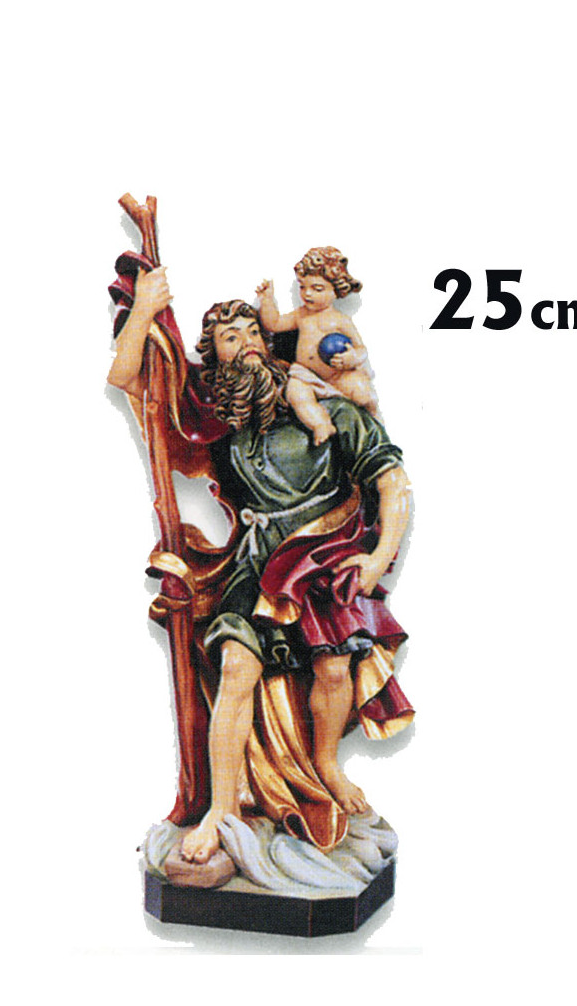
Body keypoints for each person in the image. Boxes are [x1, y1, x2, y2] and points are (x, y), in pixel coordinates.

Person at [108, 265, 412, 865]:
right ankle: (220, 810)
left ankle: (325, 764)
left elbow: (393, 482)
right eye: (230, 337)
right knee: (236, 665)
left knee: (332, 671)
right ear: (216, 358)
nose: (247, 341)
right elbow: (126, 377)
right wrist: (144, 308)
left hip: (325, 555)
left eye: (253, 331)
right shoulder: (219, 424)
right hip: (257, 563)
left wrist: (379, 557)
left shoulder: (326, 406)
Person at [256, 246, 379, 445]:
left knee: (363, 394)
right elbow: (274, 324)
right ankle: (320, 424)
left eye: (317, 289)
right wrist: (267, 301)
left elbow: (361, 349)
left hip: (337, 375)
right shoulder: (301, 315)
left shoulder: (340, 320)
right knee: (296, 394)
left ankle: (373, 421)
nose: (307, 294)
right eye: (302, 287)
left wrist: (352, 358)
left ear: (336, 290)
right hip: (306, 375)